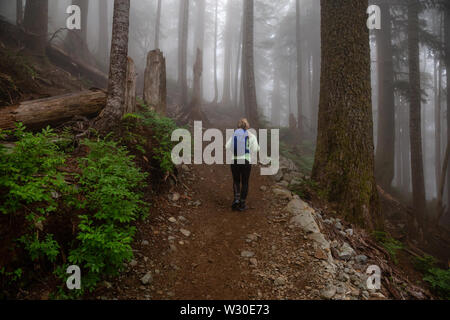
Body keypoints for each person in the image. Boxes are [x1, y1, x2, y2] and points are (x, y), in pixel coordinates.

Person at [225, 118, 260, 212]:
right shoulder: (251, 136)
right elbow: (255, 149)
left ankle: (236, 199)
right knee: (245, 182)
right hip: (246, 161)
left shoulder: (234, 134)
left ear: (238, 125)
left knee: (236, 181)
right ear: (247, 126)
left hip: (235, 160)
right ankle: (242, 204)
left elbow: (227, 146)